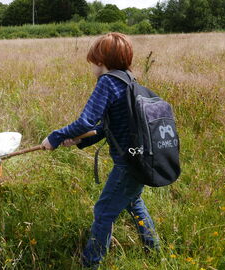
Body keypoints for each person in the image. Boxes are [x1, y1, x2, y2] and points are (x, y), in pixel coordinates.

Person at [41, 32, 160, 268]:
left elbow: (86, 122)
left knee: (103, 212)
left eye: (92, 61)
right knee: (134, 202)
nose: (92, 67)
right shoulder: (129, 80)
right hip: (143, 159)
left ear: (100, 60)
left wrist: (55, 137)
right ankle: (154, 250)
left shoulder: (107, 82)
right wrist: (79, 141)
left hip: (128, 164)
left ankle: (90, 263)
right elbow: (108, 128)